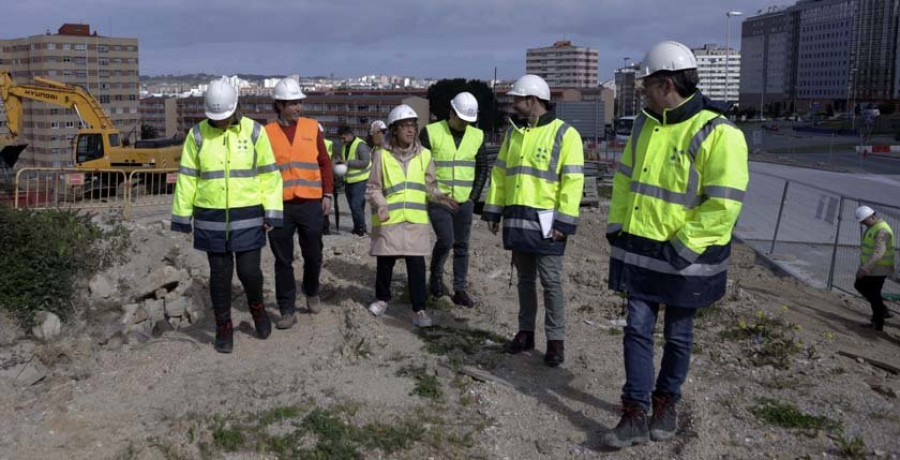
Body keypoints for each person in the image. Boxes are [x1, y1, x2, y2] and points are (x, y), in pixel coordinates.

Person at [602, 41, 749, 448]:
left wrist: (683, 246)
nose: (641, 92)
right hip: (640, 247)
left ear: (666, 84)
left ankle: (665, 403)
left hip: (687, 256)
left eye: (646, 84)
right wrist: (617, 224)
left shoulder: (719, 133)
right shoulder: (646, 123)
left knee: (679, 335)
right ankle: (634, 412)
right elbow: (625, 178)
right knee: (637, 331)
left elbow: (724, 204)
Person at [171, 76, 283, 353]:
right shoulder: (197, 135)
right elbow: (187, 177)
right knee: (220, 276)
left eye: (225, 116)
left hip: (248, 215)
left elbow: (269, 175)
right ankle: (224, 327)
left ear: (236, 108)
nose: (220, 121)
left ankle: (258, 310)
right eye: (216, 117)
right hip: (211, 217)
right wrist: (182, 217)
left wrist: (272, 211)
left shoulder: (255, 132)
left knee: (249, 272)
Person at [481, 74, 585, 368]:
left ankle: (555, 341)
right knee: (525, 281)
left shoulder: (565, 135)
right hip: (518, 220)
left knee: (551, 283)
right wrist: (493, 210)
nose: (512, 104)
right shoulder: (514, 133)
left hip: (547, 224)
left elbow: (572, 182)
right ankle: (526, 333)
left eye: (517, 99)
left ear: (532, 100)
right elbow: (500, 173)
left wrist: (564, 223)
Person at [365, 104, 457, 327]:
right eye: (405, 126)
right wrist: (381, 205)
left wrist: (441, 196)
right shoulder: (382, 155)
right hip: (390, 219)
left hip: (415, 220)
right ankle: (382, 299)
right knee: (385, 262)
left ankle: (419, 309)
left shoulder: (425, 155)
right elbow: (373, 188)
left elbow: (429, 185)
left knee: (416, 265)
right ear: (394, 130)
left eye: (413, 126)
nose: (410, 131)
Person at [265, 78, 334, 329]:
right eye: (293, 103)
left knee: (313, 254)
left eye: (299, 103)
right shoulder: (266, 133)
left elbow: (325, 162)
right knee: (282, 260)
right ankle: (286, 308)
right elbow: (262, 171)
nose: (298, 108)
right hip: (279, 205)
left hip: (310, 203)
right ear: (280, 105)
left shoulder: (313, 127)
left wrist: (327, 194)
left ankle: (311, 290)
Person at [421, 91, 489, 307]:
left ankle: (459, 289)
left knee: (462, 246)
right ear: (451, 112)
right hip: (439, 200)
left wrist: (472, 198)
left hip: (464, 202)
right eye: (461, 119)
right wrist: (433, 194)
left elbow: (482, 167)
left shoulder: (477, 136)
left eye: (468, 120)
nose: (464, 124)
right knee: (446, 240)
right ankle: (436, 279)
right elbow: (421, 167)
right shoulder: (431, 132)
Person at [854, 205, 895, 331]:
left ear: (871, 217)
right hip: (873, 268)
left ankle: (878, 320)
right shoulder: (873, 227)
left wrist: (864, 269)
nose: (863, 224)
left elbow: (878, 253)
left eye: (864, 221)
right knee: (867, 290)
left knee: (872, 293)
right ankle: (881, 314)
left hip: (879, 268)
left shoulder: (881, 230)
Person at [339, 125, 372, 236]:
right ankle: (357, 227)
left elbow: (365, 162)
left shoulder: (360, 145)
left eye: (343, 138)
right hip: (348, 180)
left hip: (360, 180)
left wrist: (348, 163)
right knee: (354, 206)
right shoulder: (345, 146)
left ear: (349, 135)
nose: (342, 140)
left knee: (355, 205)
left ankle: (362, 228)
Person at [320, 122, 337, 235]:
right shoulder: (328, 143)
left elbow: (332, 160)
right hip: (321, 176)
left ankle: (325, 227)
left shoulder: (327, 144)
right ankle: (324, 227)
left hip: (323, 176)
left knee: (323, 204)